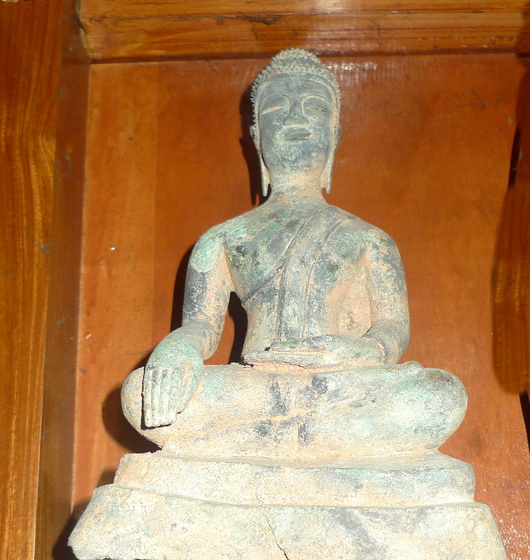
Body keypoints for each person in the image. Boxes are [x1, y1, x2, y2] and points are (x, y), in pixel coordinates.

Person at [121, 48, 466, 463]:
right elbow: (201, 326)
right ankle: (321, 444)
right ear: (257, 136)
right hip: (256, 389)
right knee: (140, 395)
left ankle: (264, 445)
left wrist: (364, 351)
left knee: (439, 395)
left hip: (340, 386)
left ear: (335, 134)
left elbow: (392, 326)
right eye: (277, 109)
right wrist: (177, 350)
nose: (295, 118)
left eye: (314, 107)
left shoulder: (368, 238)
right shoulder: (223, 238)